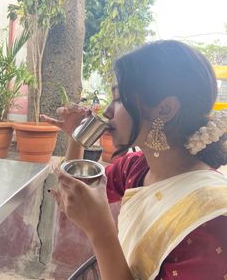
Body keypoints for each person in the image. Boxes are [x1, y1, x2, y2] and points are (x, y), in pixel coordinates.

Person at [41, 40, 227, 280]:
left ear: (165, 109)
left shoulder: (211, 222)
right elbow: (76, 196)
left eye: (118, 99)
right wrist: (76, 138)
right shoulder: (137, 167)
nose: (107, 112)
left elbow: (89, 213)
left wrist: (101, 233)